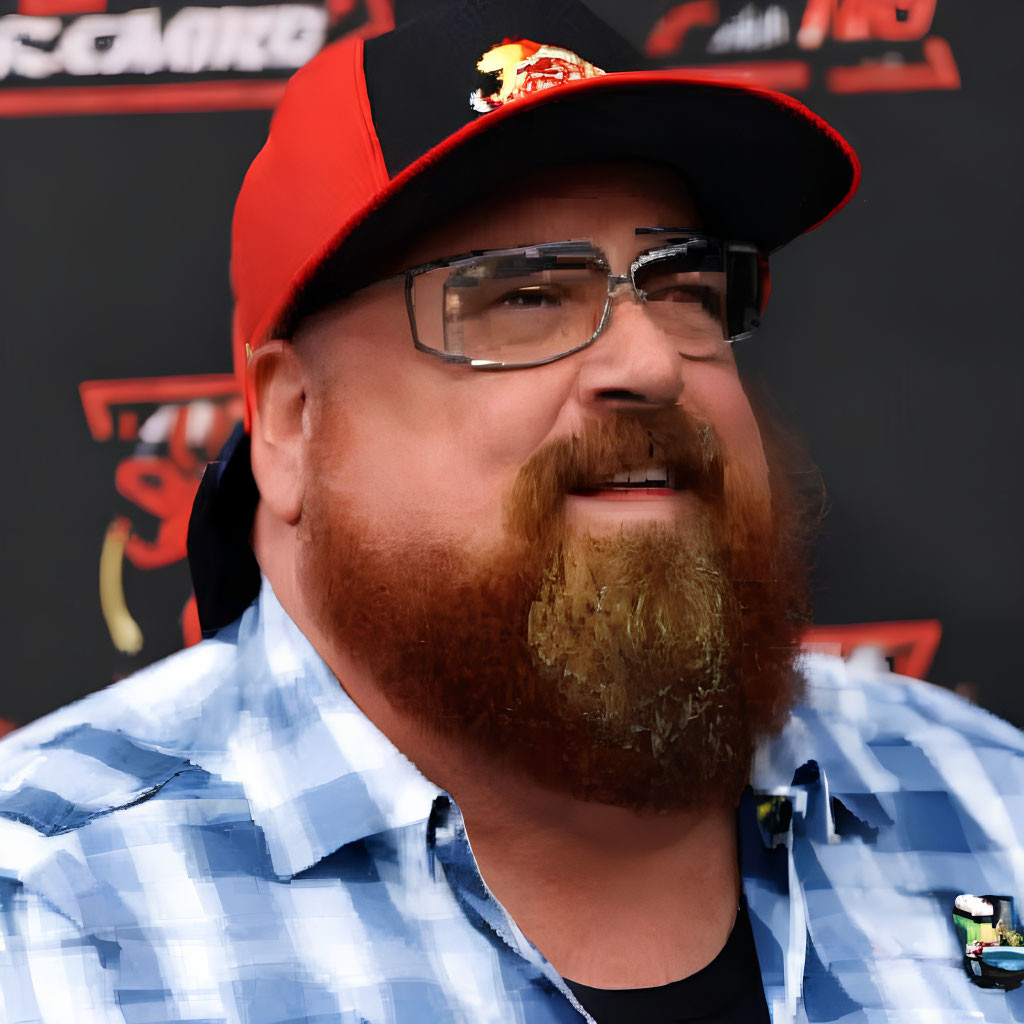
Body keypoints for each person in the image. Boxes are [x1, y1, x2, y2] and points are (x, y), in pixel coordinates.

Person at [1, 2, 1022, 1022]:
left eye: (684, 288)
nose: (651, 360)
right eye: (524, 296)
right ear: (290, 423)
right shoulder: (50, 917)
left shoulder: (986, 807)